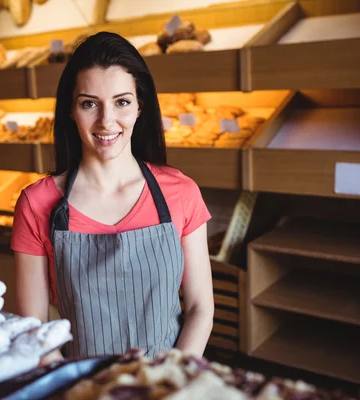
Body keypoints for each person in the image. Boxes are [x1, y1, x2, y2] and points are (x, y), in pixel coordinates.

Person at [11, 32, 214, 363]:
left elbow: (199, 308)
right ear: (70, 111)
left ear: (139, 107)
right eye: (89, 103)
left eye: (121, 102)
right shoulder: (37, 204)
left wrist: (169, 383)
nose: (107, 121)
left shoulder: (181, 193)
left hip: (168, 384)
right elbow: (35, 329)